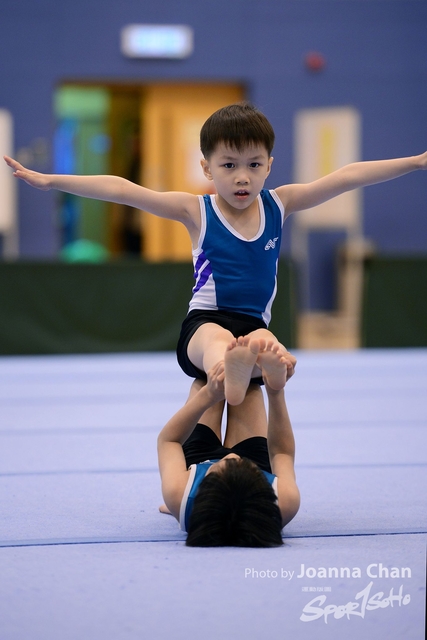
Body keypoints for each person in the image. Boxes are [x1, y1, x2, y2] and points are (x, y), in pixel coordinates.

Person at [5, 103, 427, 404]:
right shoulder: (196, 210)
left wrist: (416, 161)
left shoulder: (280, 204)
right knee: (220, 343)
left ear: (269, 165)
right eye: (229, 165)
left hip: (254, 324)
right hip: (204, 324)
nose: (243, 177)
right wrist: (51, 181)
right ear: (206, 167)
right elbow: (122, 189)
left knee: (265, 343)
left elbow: (348, 176)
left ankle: (261, 368)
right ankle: (227, 369)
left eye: (254, 165)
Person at [157, 336, 300, 547]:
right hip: (254, 469)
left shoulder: (179, 493)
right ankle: (248, 369)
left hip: (199, 462)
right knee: (250, 388)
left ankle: (224, 362)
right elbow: (281, 453)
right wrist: (275, 391)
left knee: (209, 377)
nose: (231, 455)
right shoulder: (284, 501)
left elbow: (169, 440)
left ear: (201, 489)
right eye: (239, 461)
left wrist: (208, 395)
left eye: (224, 463)